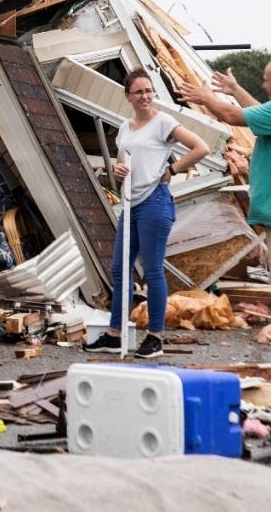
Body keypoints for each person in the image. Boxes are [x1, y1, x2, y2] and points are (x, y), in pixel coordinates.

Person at [178, 60, 271, 362]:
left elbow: (231, 115)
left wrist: (207, 98)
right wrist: (234, 89)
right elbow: (258, 110)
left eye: (267, 80)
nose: (264, 84)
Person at [85, 68, 209, 359]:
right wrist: (117, 171)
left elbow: (200, 147)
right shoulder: (125, 129)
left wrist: (172, 170)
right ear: (127, 96)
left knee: (152, 270)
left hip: (155, 201)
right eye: (138, 91)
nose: (145, 96)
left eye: (149, 90)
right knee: (119, 269)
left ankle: (155, 337)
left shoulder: (163, 121)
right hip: (131, 202)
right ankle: (115, 334)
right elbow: (122, 165)